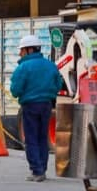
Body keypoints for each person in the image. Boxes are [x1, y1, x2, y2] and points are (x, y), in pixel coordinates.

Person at [10, 35, 62, 182]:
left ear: (29, 49)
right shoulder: (50, 65)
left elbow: (15, 90)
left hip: (30, 105)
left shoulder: (23, 68)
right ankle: (42, 169)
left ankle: (37, 171)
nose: (20, 53)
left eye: (22, 50)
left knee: (31, 138)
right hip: (47, 105)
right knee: (42, 137)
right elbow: (58, 84)